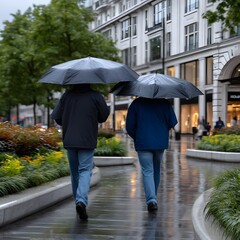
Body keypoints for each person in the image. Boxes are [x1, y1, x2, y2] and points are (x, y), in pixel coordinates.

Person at [51, 84, 109, 221]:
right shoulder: (96, 96)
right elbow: (103, 116)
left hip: (70, 139)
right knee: (85, 170)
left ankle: (78, 200)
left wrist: (68, 118)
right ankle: (81, 201)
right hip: (87, 140)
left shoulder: (66, 96)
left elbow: (57, 117)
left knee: (75, 172)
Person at [126, 97, 177, 212]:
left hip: (143, 142)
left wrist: (138, 136)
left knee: (147, 171)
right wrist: (162, 130)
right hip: (160, 143)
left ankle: (151, 200)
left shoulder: (136, 103)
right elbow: (172, 122)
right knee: (156, 169)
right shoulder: (164, 103)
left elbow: (129, 126)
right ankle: (153, 197)